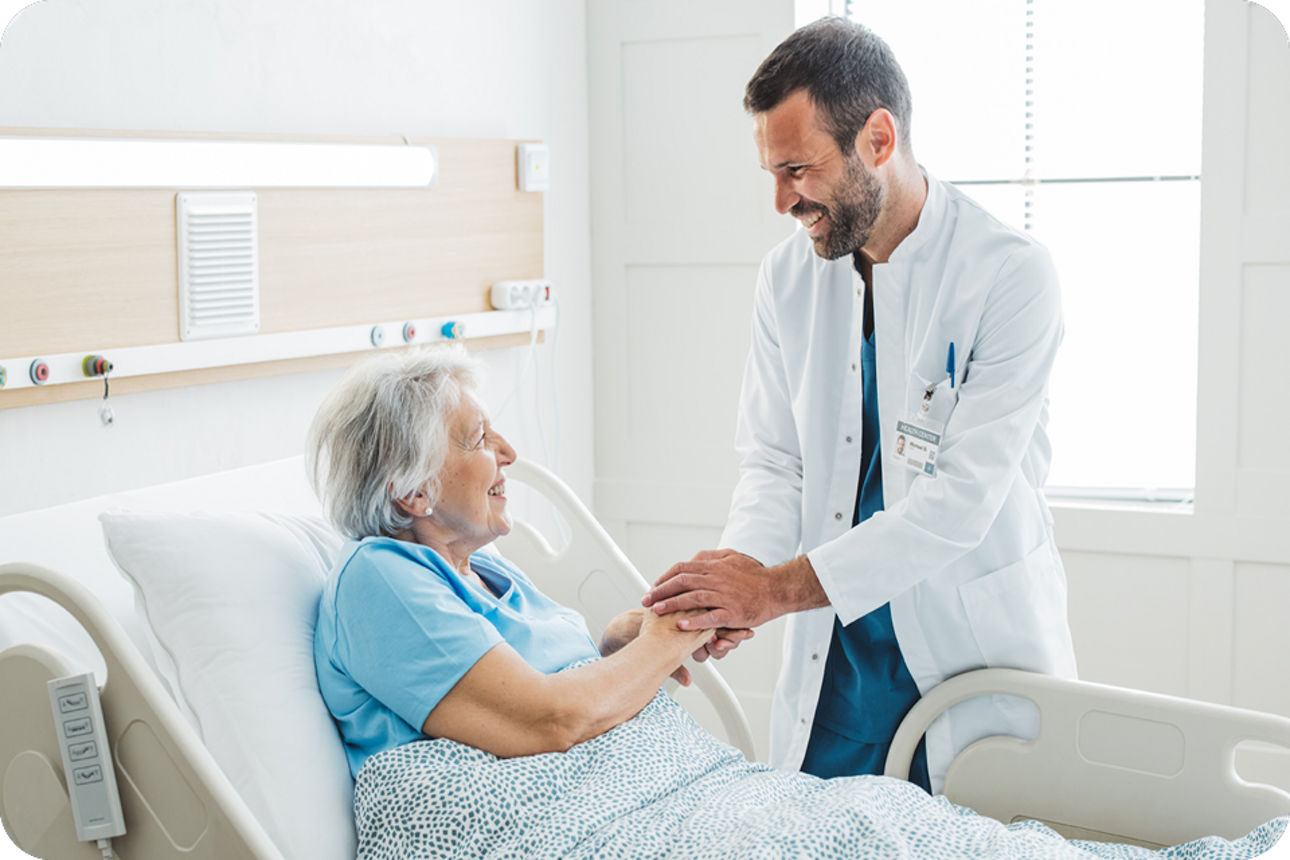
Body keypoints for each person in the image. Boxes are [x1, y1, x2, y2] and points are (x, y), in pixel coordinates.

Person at [642, 16, 1078, 794]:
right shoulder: (788, 279)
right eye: (772, 173)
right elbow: (776, 460)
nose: (780, 200)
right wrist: (738, 579)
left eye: (798, 169)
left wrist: (771, 591)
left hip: (970, 653)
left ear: (878, 138)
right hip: (838, 661)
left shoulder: (1009, 276)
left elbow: (959, 504)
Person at [308, 346, 741, 776]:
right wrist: (667, 639)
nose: (509, 452)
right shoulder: (379, 577)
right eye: (479, 437)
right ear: (413, 491)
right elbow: (548, 722)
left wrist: (613, 651)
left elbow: (555, 697)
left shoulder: (489, 570)